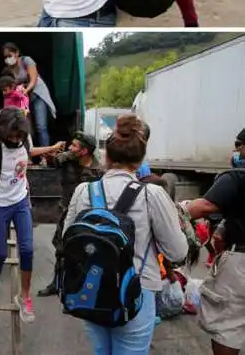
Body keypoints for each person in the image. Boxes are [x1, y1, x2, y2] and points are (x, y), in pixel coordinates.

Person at [62, 114, 187, 354]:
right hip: (137, 294)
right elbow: (178, 251)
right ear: (141, 161)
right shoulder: (152, 194)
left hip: (91, 291)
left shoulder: (83, 191)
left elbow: (68, 240)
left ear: (106, 157)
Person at [0, 107, 66, 322]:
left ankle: (24, 297)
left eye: (18, 135)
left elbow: (29, 152)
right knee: (0, 254)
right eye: (11, 136)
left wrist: (50, 148)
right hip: (0, 204)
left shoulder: (24, 140)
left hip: (21, 201)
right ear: (3, 132)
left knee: (26, 249)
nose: (15, 139)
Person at [181, 136, 245, 355]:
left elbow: (202, 207)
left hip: (241, 261)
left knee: (228, 324)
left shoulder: (236, 178)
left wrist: (174, 208)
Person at [38, 132, 104, 297]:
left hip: (87, 216)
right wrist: (50, 151)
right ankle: (56, 284)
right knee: (61, 249)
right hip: (66, 211)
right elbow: (53, 160)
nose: (70, 147)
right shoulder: (67, 159)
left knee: (85, 251)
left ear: (84, 151)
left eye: (74, 145)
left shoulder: (99, 170)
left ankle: (79, 288)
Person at [2, 42, 56, 149]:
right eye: (5, 57)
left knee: (41, 126)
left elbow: (33, 79)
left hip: (37, 94)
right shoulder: (8, 70)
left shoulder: (27, 61)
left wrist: (26, 90)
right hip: (23, 100)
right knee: (26, 127)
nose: (8, 59)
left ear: (16, 53)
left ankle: (45, 156)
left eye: (10, 55)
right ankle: (28, 154)